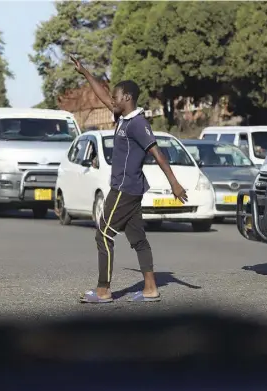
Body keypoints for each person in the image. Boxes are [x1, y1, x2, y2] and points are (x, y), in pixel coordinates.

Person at [71, 56, 188, 304]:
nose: (111, 100)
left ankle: (103, 290)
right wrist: (86, 73)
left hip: (124, 189)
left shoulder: (137, 123)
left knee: (103, 233)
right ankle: (150, 288)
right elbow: (102, 96)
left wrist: (174, 183)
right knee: (138, 239)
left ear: (127, 98)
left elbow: (157, 153)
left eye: (116, 97)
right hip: (132, 188)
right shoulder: (122, 118)